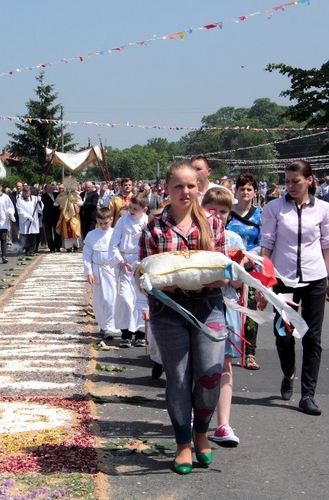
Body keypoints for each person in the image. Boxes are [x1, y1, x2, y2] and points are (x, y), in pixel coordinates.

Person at [140, 161, 227, 474]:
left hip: (209, 306)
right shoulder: (153, 227)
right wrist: (168, 282)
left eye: (191, 185)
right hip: (168, 309)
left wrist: (191, 277)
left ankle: (201, 431)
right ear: (167, 189)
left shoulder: (214, 224)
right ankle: (183, 444)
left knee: (209, 375)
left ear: (200, 187)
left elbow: (223, 274)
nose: (186, 192)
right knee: (177, 376)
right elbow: (145, 275)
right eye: (178, 186)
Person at [261, 160, 329, 416]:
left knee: (312, 338)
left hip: (315, 279)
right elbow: (267, 245)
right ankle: (288, 373)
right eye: (287, 181)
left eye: (296, 181)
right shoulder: (274, 208)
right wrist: (263, 281)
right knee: (283, 335)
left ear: (310, 180)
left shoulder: (323, 209)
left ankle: (308, 395)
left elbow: (328, 244)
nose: (291, 186)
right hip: (283, 279)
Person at [203, 188, 246, 446]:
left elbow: (240, 283)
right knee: (201, 364)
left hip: (227, 305)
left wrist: (236, 275)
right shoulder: (196, 237)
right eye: (212, 210)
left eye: (223, 211)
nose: (217, 215)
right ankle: (198, 414)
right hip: (201, 304)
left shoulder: (235, 240)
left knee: (225, 364)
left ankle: (223, 423)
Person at [227, 173, 262, 370]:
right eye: (242, 189)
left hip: (250, 266)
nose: (245, 192)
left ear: (255, 192)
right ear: (236, 191)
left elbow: (263, 241)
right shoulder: (228, 214)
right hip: (229, 267)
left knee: (250, 309)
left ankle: (250, 352)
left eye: (249, 189)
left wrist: (248, 256)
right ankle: (227, 346)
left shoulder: (259, 215)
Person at [109, 193, 149, 348]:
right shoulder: (122, 221)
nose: (131, 210)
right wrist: (121, 261)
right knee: (125, 298)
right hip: (126, 261)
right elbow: (113, 244)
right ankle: (126, 332)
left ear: (144, 209)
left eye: (136, 209)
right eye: (130, 207)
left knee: (141, 299)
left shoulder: (147, 222)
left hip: (141, 263)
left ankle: (140, 334)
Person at [82, 208, 116, 338]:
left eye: (106, 223)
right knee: (99, 299)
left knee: (110, 299)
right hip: (97, 270)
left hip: (111, 269)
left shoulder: (115, 233)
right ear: (97, 221)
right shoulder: (91, 235)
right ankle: (103, 324)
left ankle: (110, 326)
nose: (103, 226)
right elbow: (87, 256)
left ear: (111, 220)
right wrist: (89, 272)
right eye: (100, 223)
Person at [16, 186, 42, 256]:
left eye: (27, 193)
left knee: (33, 236)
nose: (26, 194)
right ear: (23, 193)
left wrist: (39, 202)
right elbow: (20, 211)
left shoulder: (35, 199)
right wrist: (28, 217)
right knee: (26, 237)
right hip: (25, 221)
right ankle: (27, 250)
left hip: (33, 220)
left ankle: (32, 250)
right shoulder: (19, 200)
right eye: (25, 193)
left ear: (30, 192)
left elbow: (40, 209)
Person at [55, 184, 82, 251]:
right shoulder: (62, 195)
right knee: (66, 232)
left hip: (74, 216)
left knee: (75, 230)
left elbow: (80, 204)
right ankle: (68, 247)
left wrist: (76, 203)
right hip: (65, 216)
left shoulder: (77, 195)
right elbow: (56, 203)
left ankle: (76, 246)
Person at [41, 184, 62, 252]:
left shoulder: (56, 194)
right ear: (46, 189)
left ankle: (57, 246)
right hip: (48, 217)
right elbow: (45, 205)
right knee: (49, 233)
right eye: (50, 188)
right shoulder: (43, 196)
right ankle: (51, 247)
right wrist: (53, 204)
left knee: (57, 232)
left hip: (56, 216)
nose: (51, 189)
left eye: (52, 188)